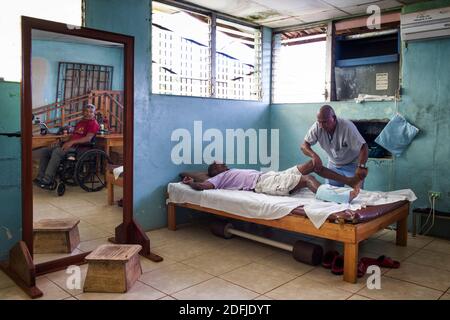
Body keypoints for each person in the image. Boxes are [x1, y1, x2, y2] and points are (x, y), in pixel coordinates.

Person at [182, 161, 362, 204]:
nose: (222, 163)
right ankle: (339, 198)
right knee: (308, 180)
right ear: (215, 171)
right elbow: (201, 186)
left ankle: (348, 180)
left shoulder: (230, 171)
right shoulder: (217, 178)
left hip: (271, 176)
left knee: (312, 165)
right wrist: (191, 182)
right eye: (218, 164)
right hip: (264, 184)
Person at [301, 105, 369, 187]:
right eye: (319, 122)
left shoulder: (347, 127)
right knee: (331, 193)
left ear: (334, 118)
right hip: (333, 165)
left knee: (358, 193)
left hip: (352, 164)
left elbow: (363, 147)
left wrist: (361, 166)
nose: (321, 125)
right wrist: (314, 155)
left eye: (325, 122)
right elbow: (304, 146)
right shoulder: (317, 126)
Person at [34, 103, 100, 187]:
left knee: (57, 152)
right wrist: (62, 142)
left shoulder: (93, 123)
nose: (88, 113)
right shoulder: (81, 122)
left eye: (91, 112)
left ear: (94, 113)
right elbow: (74, 136)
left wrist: (71, 142)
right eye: (86, 111)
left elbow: (88, 138)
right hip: (72, 147)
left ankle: (47, 180)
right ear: (83, 112)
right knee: (45, 151)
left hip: (81, 149)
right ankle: (40, 177)